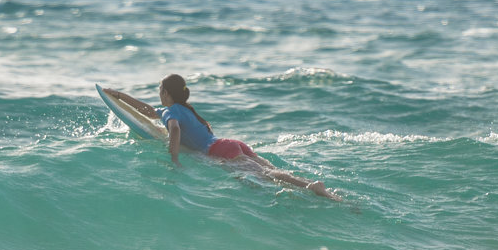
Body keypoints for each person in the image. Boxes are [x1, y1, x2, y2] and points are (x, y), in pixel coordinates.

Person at [103, 74, 341, 200]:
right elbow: (147, 110)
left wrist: (173, 158)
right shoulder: (184, 107)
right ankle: (312, 186)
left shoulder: (171, 112)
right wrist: (119, 96)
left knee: (266, 176)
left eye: (159, 91)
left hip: (219, 152)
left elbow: (173, 129)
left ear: (165, 93)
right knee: (269, 169)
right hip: (231, 144)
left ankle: (311, 187)